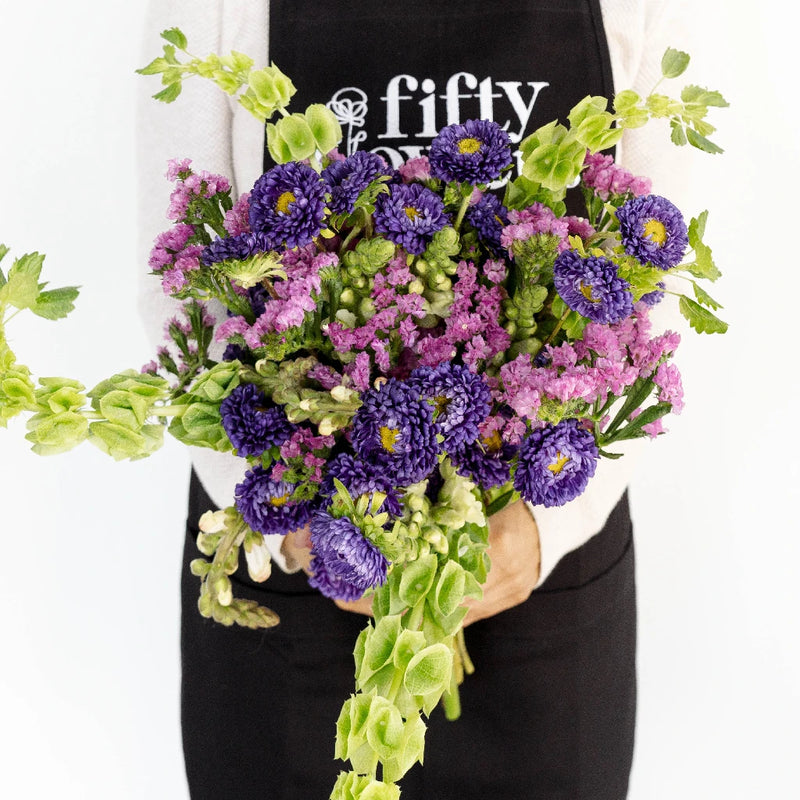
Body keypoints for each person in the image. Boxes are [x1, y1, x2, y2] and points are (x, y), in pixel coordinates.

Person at [136, 2, 691, 797]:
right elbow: (182, 289)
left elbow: (660, 293)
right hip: (299, 580)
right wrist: (293, 522)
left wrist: (547, 529)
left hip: (543, 590)